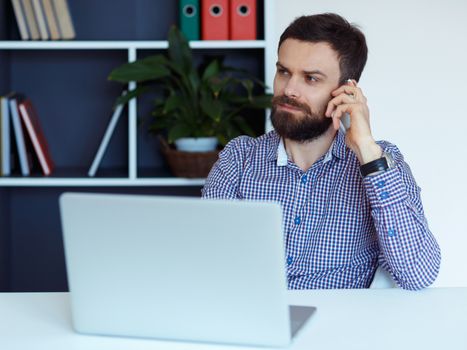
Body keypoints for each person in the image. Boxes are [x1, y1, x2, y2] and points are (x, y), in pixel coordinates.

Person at [202, 13, 440, 290]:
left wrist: (366, 150)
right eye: (284, 71)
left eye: (311, 79)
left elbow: (418, 275)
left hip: (342, 327)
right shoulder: (239, 159)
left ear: (345, 92)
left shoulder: (381, 161)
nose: (289, 89)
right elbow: (210, 265)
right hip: (253, 320)